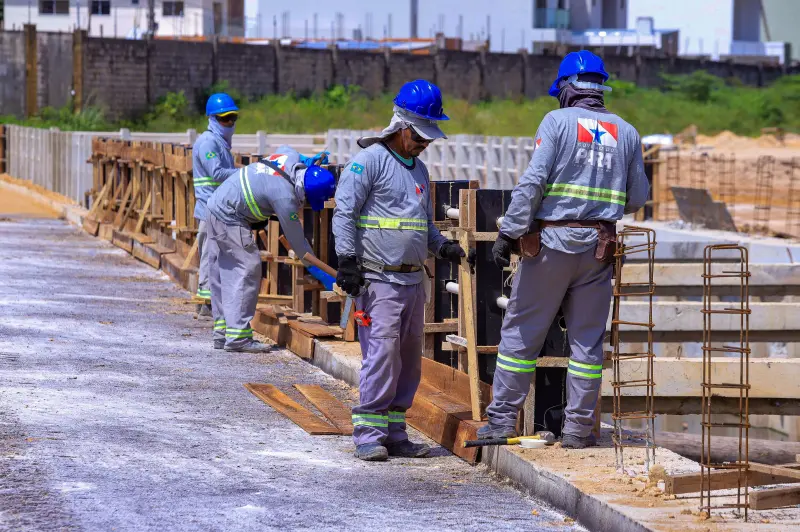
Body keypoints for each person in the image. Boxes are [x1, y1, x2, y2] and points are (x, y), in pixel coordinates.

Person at [478, 51, 650, 449]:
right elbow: (638, 196)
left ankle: (501, 422)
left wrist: (509, 232)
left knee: (521, 334)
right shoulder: (627, 132)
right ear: (600, 88)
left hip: (552, 247)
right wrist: (599, 204)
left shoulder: (556, 122)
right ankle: (577, 431)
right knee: (587, 344)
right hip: (599, 251)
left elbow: (533, 183)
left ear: (566, 88)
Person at [333, 80, 467, 461]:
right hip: (379, 280)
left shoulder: (420, 171)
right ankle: (368, 434)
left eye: (428, 138)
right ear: (402, 126)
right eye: (420, 136)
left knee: (408, 360)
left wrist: (442, 246)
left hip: (411, 280)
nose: (424, 143)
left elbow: (422, 225)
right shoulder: (368, 162)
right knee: (382, 355)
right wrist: (347, 261)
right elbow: (344, 213)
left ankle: (395, 432)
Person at [205, 146, 336, 353]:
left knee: (226, 270)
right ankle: (238, 337)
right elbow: (300, 246)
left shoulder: (291, 158)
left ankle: (223, 332)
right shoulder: (284, 198)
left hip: (216, 205)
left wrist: (308, 160)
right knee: (247, 268)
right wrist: (321, 272)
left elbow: (286, 148)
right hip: (229, 215)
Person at [192, 93, 240, 317]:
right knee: (209, 258)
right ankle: (206, 305)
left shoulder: (220, 143)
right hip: (209, 210)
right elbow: (217, 173)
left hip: (219, 210)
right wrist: (244, 174)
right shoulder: (208, 142)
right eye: (224, 118)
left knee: (215, 257)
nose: (229, 123)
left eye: (232, 118)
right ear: (212, 119)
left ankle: (211, 303)